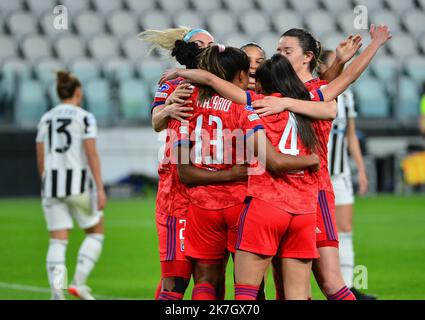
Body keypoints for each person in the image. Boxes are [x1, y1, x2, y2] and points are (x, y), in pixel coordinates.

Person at [172, 45, 320, 300]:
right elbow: (270, 158)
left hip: (202, 205)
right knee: (253, 285)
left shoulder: (187, 105)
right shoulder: (247, 108)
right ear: (241, 75)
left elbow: (183, 170)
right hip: (243, 201)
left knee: (206, 281)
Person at [35, 71, 106, 300]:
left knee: (57, 241)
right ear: (78, 92)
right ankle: (78, 282)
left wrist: (46, 181)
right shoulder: (85, 117)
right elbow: (91, 153)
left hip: (51, 186)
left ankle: (58, 294)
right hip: (77, 186)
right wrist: (100, 188)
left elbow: (40, 156)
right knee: (96, 232)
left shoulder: (46, 118)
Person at [319, 50, 377, 300]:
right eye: (333, 63)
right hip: (318, 175)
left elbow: (350, 135)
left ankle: (348, 285)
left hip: (340, 174)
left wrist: (361, 169)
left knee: (344, 230)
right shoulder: (314, 94)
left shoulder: (348, 96)